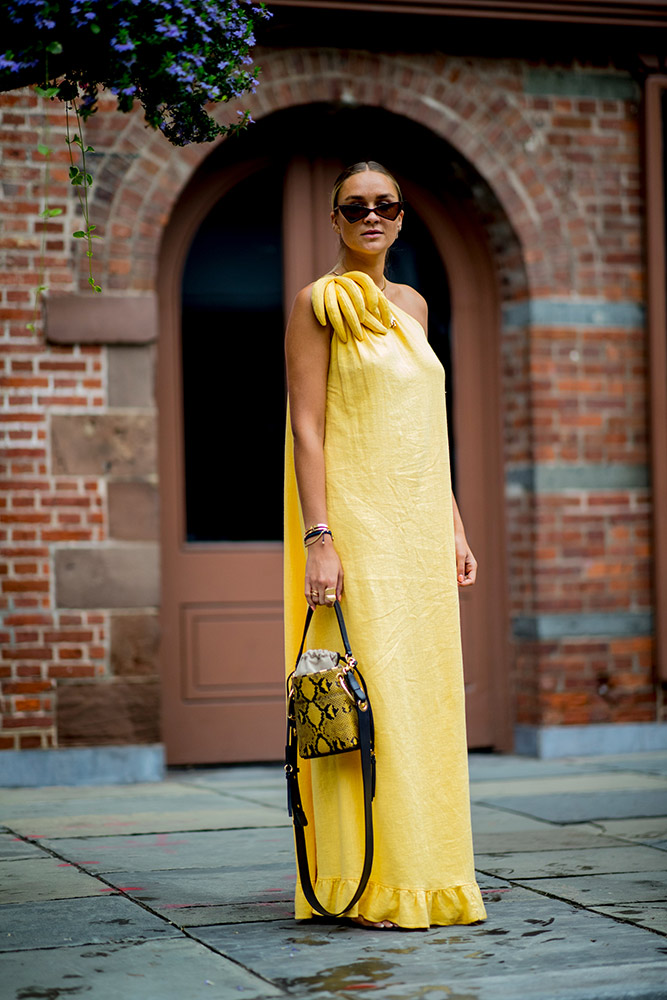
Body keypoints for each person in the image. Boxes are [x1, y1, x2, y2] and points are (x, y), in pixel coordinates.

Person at [283, 160, 487, 930]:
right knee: (376, 705)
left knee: (428, 700)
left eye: (386, 205)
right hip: (360, 529)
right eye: (355, 206)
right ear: (333, 219)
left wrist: (456, 527)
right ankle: (369, 882)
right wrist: (320, 538)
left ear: (401, 219)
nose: (372, 216)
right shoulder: (317, 304)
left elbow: (424, 434)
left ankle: (428, 875)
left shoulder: (414, 305)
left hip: (419, 531)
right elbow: (306, 426)